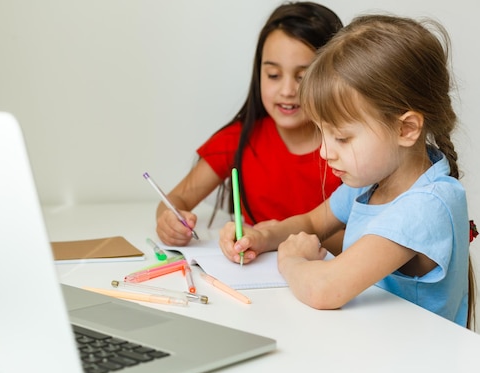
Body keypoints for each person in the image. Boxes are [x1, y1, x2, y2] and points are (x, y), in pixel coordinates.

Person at [219, 14, 476, 329]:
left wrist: (291, 260)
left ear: (406, 129)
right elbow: (314, 222)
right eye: (322, 134)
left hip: (412, 370)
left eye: (341, 137)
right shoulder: (374, 182)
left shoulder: (426, 205)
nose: (326, 152)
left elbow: (326, 288)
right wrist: (263, 236)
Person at [155, 2, 344, 250]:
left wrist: (275, 235)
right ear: (259, 74)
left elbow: (367, 240)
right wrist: (169, 220)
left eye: (303, 77)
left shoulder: (351, 146)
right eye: (273, 75)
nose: (287, 91)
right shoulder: (238, 139)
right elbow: (177, 198)